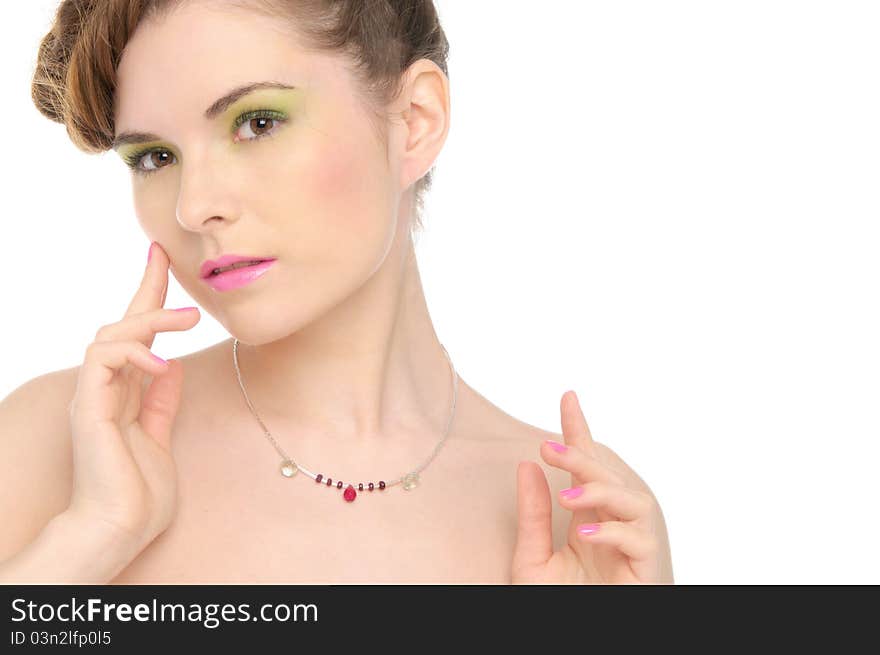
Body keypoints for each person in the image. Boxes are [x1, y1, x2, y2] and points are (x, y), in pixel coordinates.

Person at [0, 0, 673, 584]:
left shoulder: (575, 515)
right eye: (155, 157)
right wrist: (92, 535)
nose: (193, 206)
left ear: (415, 120)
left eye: (257, 122)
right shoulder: (60, 445)